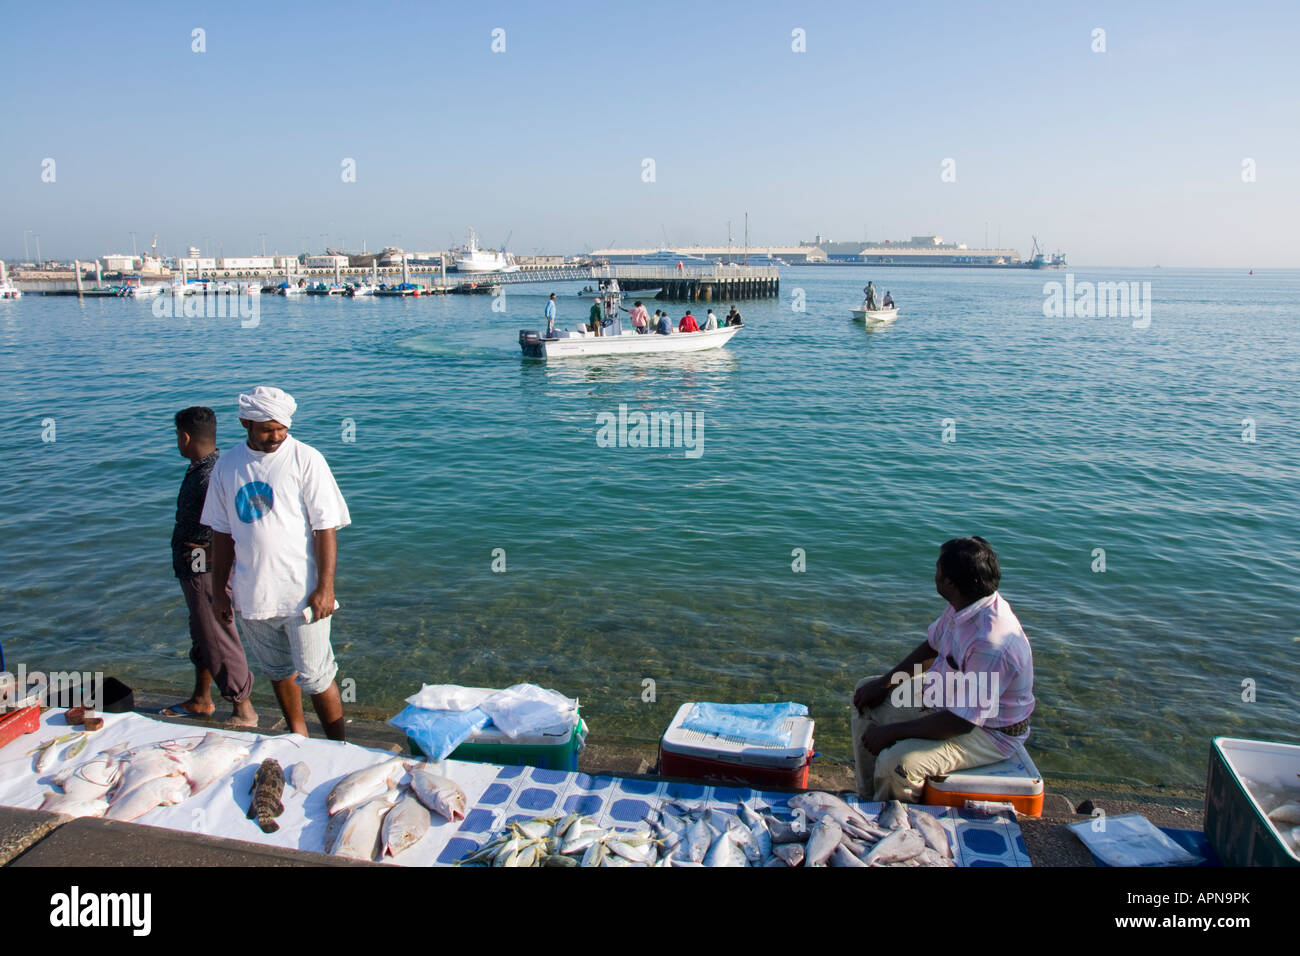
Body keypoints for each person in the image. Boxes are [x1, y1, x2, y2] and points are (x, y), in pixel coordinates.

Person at [202, 386, 352, 740]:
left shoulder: (305, 458)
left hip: (303, 595)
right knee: (278, 670)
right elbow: (222, 535)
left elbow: (325, 527)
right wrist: (220, 592)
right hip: (252, 593)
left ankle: (339, 744)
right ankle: (296, 738)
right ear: (245, 423)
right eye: (268, 429)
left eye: (282, 428)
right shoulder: (226, 465)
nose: (277, 436)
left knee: (317, 676)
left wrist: (325, 588)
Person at [850, 537, 1035, 802]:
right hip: (946, 695)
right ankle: (868, 800)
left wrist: (891, 733)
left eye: (938, 569)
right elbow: (931, 648)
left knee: (897, 764)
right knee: (864, 696)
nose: (934, 574)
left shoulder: (991, 644)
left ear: (949, 582)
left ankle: (893, 824)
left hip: (988, 731)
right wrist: (885, 683)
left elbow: (960, 722)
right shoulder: (964, 605)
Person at [169, 407, 258, 728]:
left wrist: (205, 548)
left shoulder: (209, 475)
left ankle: (243, 709)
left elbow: (232, 525)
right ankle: (202, 699)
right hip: (195, 566)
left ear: (185, 436)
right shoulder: (211, 467)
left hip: (204, 567)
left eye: (177, 436)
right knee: (202, 634)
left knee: (218, 635)